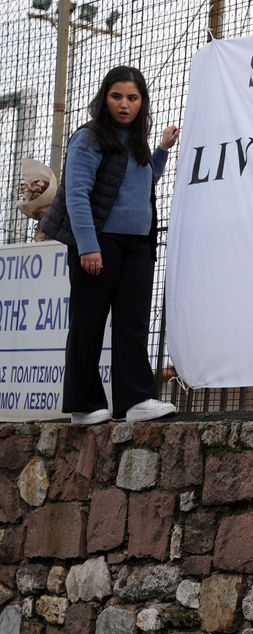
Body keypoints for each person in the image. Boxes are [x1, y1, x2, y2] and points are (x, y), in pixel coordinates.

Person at [40, 66, 180, 424]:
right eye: (117, 96)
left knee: (133, 322)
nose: (124, 104)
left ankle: (135, 401)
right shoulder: (88, 138)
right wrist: (87, 246)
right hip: (98, 242)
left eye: (132, 98)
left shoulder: (137, 140)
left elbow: (142, 180)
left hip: (138, 246)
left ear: (142, 103)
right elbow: (77, 194)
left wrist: (161, 150)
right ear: (105, 98)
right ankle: (84, 406)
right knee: (89, 322)